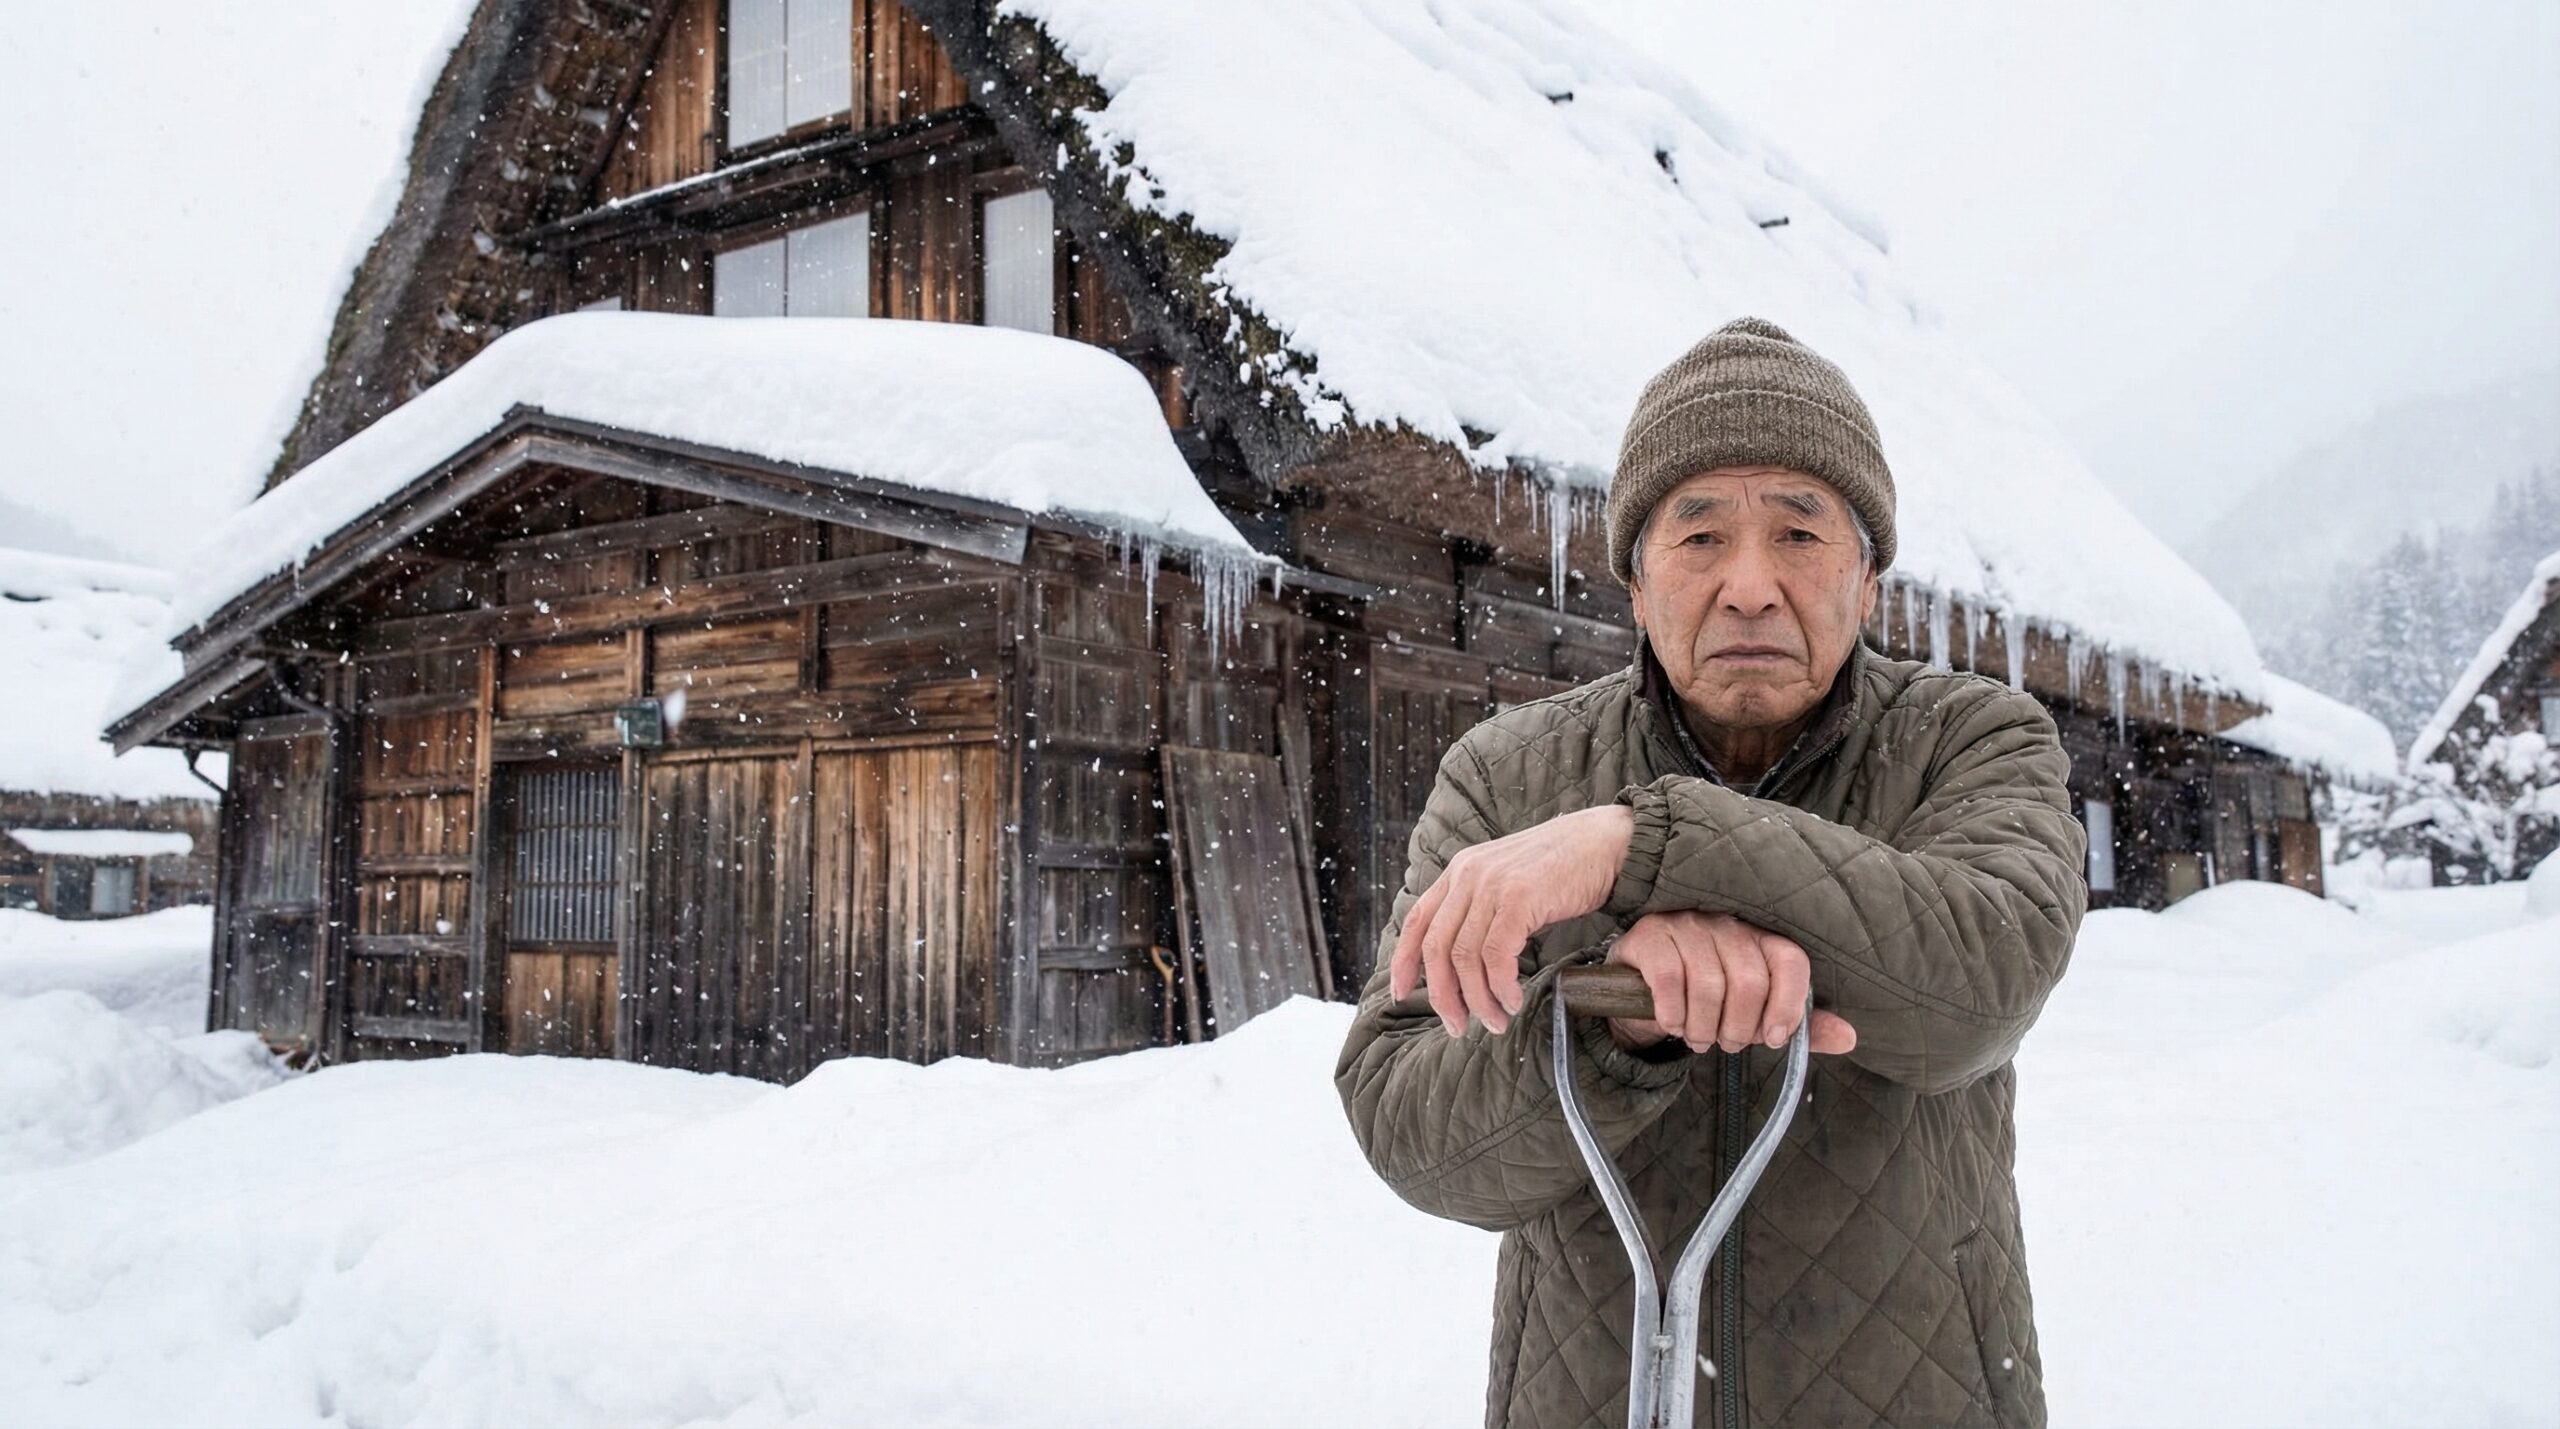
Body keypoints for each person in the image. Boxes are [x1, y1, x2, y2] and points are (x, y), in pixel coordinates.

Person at [1335, 317, 2089, 1428]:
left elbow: (1979, 985)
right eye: (1697, 539)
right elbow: (1414, 1131)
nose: (1748, 585)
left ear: (1867, 578)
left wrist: (1633, 843)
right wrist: (1613, 1023)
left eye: (1798, 532)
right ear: (1635, 585)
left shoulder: (1970, 738)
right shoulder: (1507, 776)